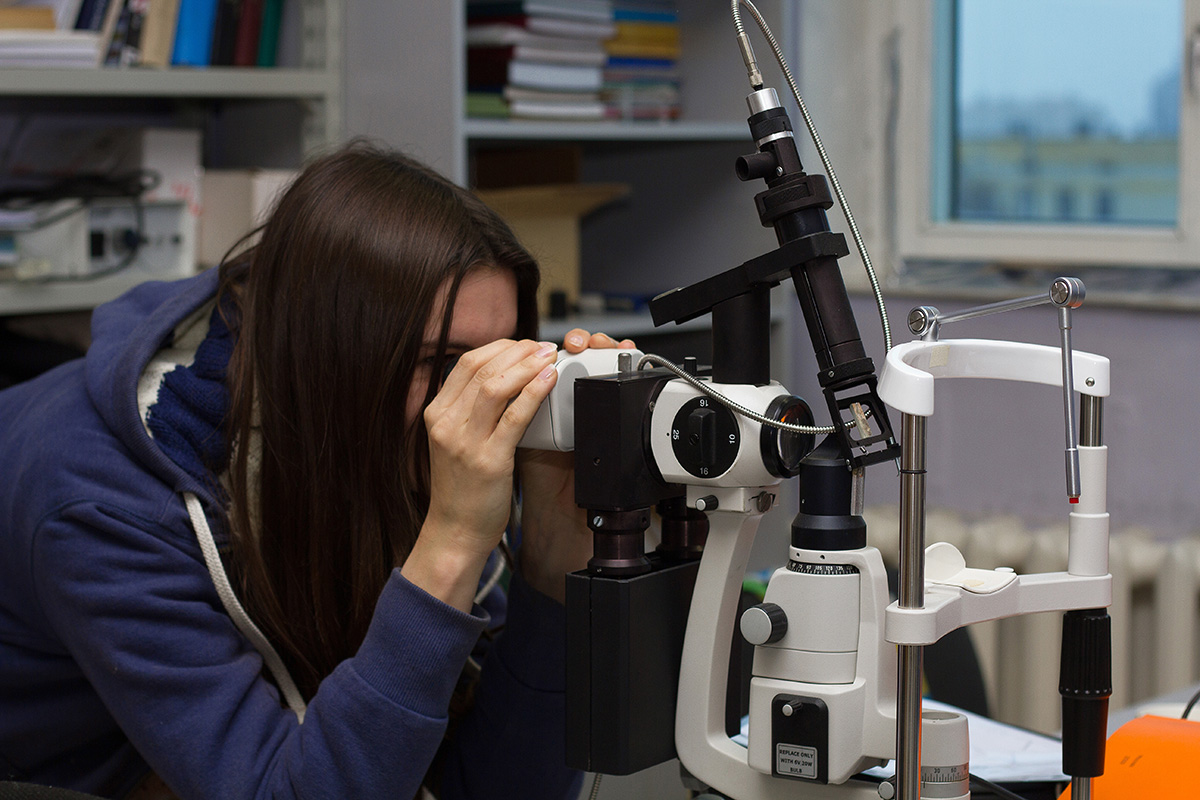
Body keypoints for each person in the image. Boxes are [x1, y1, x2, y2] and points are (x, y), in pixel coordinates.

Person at [0, 142, 634, 799]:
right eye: (442, 361)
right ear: (325, 358)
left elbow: (493, 785)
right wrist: (450, 544)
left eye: (496, 359)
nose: (474, 397)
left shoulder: (363, 427)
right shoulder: (107, 504)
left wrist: (555, 558)